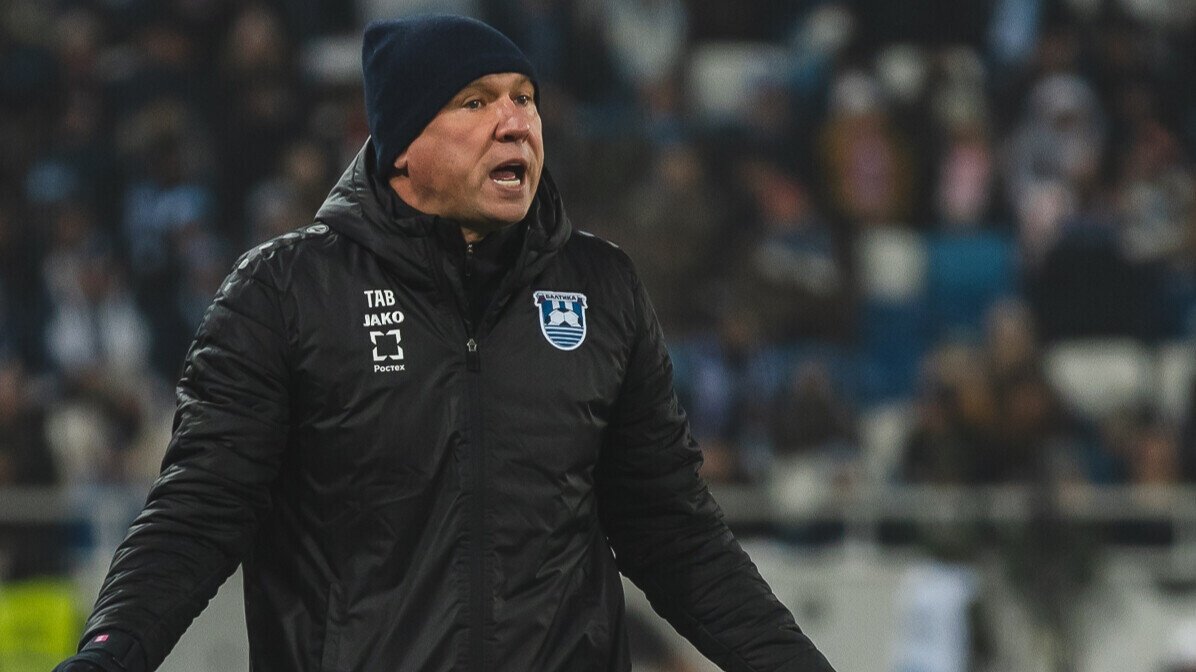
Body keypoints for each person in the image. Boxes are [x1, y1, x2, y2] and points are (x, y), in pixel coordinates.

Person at [54, 15, 836, 672]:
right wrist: (108, 654)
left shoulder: (602, 289)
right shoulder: (285, 293)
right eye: (476, 101)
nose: (515, 121)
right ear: (403, 143)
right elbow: (197, 514)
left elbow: (675, 532)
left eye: (525, 98)